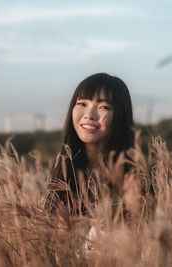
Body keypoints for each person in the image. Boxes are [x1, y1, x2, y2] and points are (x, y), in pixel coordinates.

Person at [45, 73, 138, 216]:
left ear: (120, 116)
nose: (89, 115)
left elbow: (138, 229)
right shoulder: (65, 160)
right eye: (82, 104)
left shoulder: (131, 173)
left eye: (104, 107)